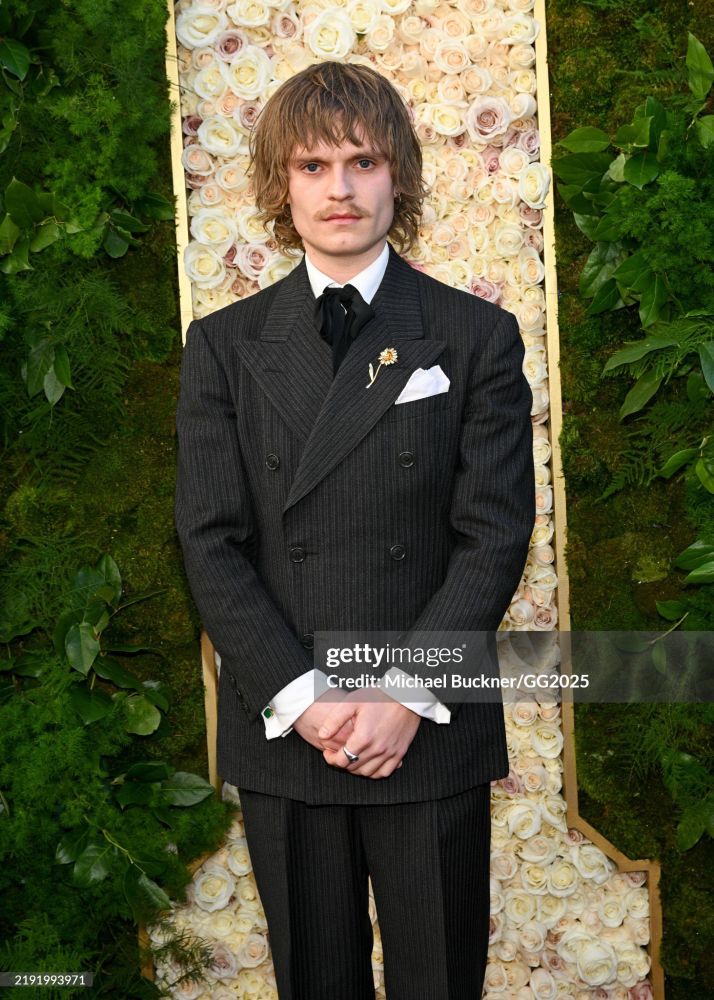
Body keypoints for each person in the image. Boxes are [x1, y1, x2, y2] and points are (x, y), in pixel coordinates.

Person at [175, 60, 535, 1000]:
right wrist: (312, 698)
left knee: (440, 982)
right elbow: (210, 539)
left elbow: (493, 533)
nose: (339, 189)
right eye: (312, 165)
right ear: (278, 184)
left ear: (398, 174)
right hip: (294, 726)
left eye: (362, 161)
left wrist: (399, 695)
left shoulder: (474, 335)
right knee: (316, 982)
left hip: (425, 721)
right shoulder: (222, 346)